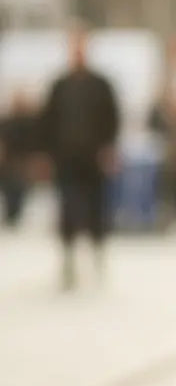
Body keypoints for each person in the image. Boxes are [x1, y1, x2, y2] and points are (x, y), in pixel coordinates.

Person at [37, 29, 120, 290]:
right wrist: (46, 154)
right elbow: (47, 122)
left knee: (96, 205)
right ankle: (68, 257)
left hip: (93, 156)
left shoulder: (101, 84)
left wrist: (109, 149)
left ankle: (97, 252)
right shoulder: (60, 85)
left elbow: (112, 118)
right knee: (67, 206)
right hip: (66, 156)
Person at [0, 90, 39, 228]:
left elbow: (34, 142)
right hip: (9, 160)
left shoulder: (30, 123)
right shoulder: (6, 121)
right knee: (9, 187)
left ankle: (15, 215)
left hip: (23, 159)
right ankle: (11, 214)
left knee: (20, 187)